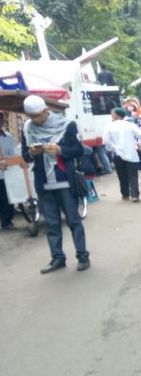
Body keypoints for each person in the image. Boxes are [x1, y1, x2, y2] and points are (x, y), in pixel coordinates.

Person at [21, 95, 90, 273]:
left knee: (73, 221)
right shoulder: (27, 128)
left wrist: (60, 150)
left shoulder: (67, 125)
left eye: (36, 116)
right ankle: (57, 258)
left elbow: (78, 150)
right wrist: (32, 152)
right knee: (52, 224)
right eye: (30, 116)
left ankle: (82, 256)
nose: (33, 120)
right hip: (43, 182)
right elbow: (25, 156)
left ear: (46, 111)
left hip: (65, 180)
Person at [103, 107, 141, 202]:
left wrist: (111, 148)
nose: (111, 115)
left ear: (117, 115)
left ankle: (125, 194)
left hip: (118, 155)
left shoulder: (109, 127)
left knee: (122, 176)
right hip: (131, 154)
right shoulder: (130, 125)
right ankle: (135, 195)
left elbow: (106, 141)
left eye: (112, 113)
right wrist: (140, 144)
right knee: (133, 175)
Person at [0, 112, 18, 229]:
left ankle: (7, 221)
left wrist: (6, 162)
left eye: (1, 119)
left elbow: (12, 155)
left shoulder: (8, 137)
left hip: (5, 173)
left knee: (7, 197)